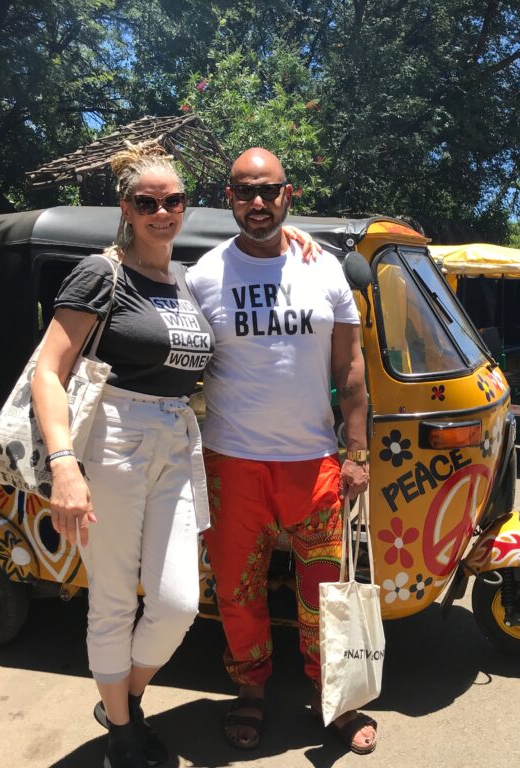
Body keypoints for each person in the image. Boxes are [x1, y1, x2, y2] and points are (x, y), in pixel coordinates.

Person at [187, 148, 378, 755]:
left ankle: (340, 700)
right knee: (237, 592)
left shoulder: (323, 268)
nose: (259, 203)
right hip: (230, 462)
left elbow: (350, 368)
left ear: (288, 194)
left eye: (269, 191)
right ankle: (251, 692)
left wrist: (357, 452)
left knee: (327, 591)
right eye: (246, 192)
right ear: (230, 199)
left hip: (315, 463)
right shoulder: (203, 276)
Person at [32, 143, 214, 768]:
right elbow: (48, 373)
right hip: (114, 434)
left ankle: (124, 699)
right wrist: (63, 465)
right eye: (148, 202)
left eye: (173, 201)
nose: (162, 211)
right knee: (113, 596)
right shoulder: (100, 271)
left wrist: (297, 243)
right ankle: (123, 733)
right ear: (127, 209)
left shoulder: (185, 279)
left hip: (175, 438)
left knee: (177, 603)